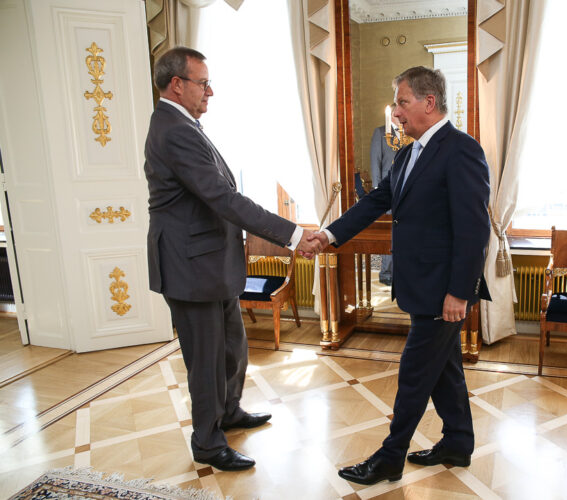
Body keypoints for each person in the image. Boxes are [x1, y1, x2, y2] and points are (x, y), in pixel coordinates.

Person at [310, 66, 491, 485]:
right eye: (395, 104)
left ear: (429, 103)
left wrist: (459, 293)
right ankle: (458, 442)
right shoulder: (409, 153)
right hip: (420, 287)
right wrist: (329, 234)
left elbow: (473, 229)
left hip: (443, 291)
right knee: (444, 369)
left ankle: (391, 457)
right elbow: (377, 200)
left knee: (414, 375)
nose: (395, 113)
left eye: (401, 102)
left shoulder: (461, 149)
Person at [144, 47, 320, 472]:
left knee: (232, 348)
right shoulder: (173, 130)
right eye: (203, 83)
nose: (210, 91)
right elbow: (223, 198)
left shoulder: (186, 125)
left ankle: (230, 412)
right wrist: (293, 235)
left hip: (211, 264)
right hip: (191, 267)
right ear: (177, 85)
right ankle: (207, 442)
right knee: (205, 361)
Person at [369, 104, 399, 286]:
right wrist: (378, 191)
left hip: (406, 191)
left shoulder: (410, 133)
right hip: (386, 190)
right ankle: (386, 273)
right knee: (388, 233)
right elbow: (375, 162)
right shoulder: (380, 133)